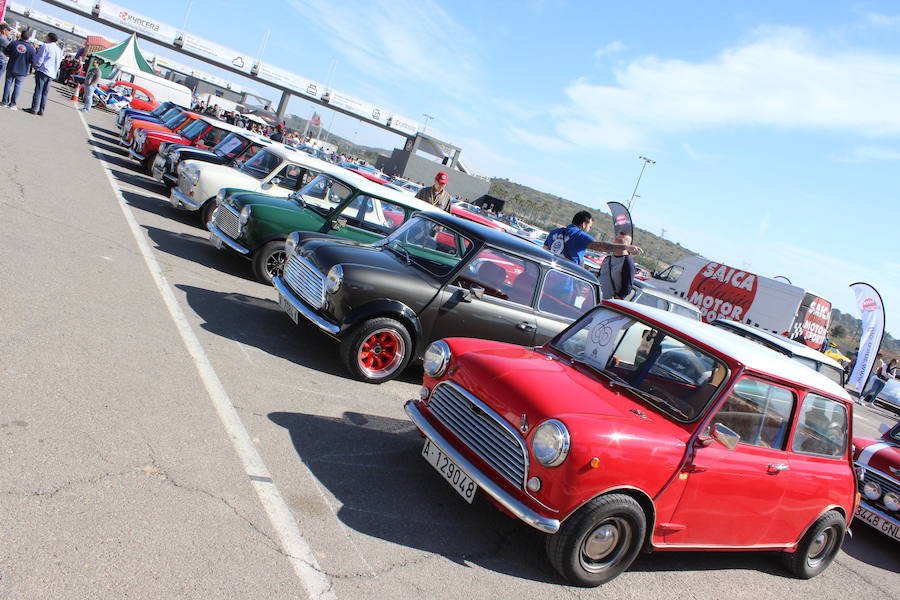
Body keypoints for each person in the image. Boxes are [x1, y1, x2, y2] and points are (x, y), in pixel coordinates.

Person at [544, 210, 643, 267]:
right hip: (564, 279)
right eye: (589, 227)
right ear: (584, 224)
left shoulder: (555, 232)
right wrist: (625, 247)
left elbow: (544, 250)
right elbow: (600, 246)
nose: (589, 229)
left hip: (549, 272)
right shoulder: (578, 235)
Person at [27, 32, 63, 116]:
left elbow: (40, 58)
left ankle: (34, 108)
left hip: (43, 70)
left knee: (38, 90)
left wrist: (35, 66)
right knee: (45, 93)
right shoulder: (58, 49)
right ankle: (41, 110)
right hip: (52, 73)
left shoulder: (46, 46)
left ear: (49, 38)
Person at [2, 29, 34, 110]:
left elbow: (6, 52)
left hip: (11, 66)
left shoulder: (14, 43)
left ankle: (4, 102)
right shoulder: (31, 48)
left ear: (21, 35)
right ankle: (13, 104)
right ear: (29, 37)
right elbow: (32, 61)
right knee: (18, 87)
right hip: (22, 70)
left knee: (8, 84)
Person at [597, 232, 636, 300]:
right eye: (616, 239)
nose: (616, 243)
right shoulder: (607, 258)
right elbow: (599, 276)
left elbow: (626, 289)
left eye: (620, 241)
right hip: (593, 296)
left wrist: (612, 302)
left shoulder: (627, 262)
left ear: (628, 245)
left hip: (606, 303)